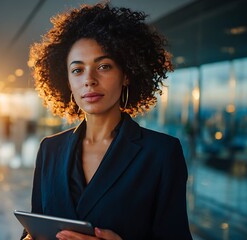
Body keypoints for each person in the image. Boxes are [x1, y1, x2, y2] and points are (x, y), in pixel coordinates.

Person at [21, 2, 192, 239]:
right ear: (66, 81)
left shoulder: (161, 153)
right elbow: (35, 227)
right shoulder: (50, 148)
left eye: (103, 66)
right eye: (77, 70)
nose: (89, 80)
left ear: (127, 74)